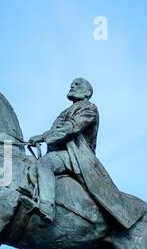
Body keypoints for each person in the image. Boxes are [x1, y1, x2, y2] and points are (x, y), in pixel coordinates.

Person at [26, 78, 140, 228]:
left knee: (45, 163)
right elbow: (56, 131)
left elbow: (72, 127)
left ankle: (47, 206)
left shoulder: (89, 108)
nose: (72, 85)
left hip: (76, 156)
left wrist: (43, 137)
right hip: (60, 153)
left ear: (87, 92)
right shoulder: (65, 111)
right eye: (72, 84)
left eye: (77, 84)